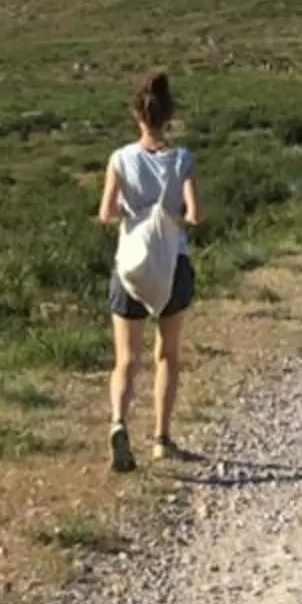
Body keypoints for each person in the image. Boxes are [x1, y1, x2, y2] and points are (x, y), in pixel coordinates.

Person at [97, 69, 199, 472]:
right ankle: (161, 437)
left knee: (125, 359)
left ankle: (119, 422)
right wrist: (172, 215)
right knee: (167, 355)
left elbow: (105, 213)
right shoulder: (183, 160)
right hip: (172, 265)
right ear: (169, 115)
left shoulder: (120, 159)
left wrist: (132, 211)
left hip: (130, 267)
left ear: (137, 115)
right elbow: (195, 213)